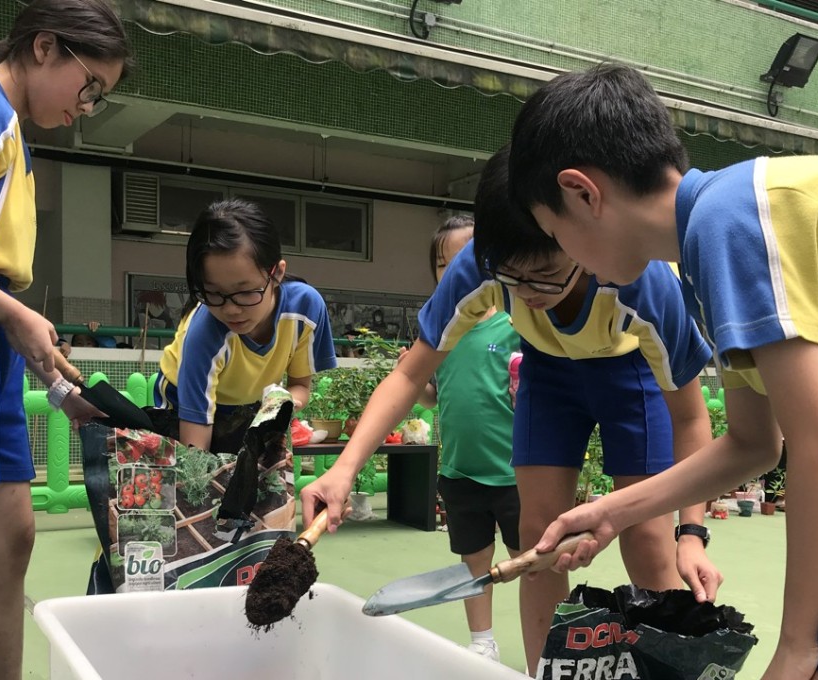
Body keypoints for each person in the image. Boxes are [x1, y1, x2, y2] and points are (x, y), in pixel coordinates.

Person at [508, 63, 818, 680]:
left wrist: (796, 643)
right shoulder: (713, 240)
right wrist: (615, 511)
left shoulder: (729, 222)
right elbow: (753, 445)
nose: (565, 256)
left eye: (552, 229)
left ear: (583, 193)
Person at [303, 147, 722, 674]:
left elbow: (689, 416)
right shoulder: (481, 263)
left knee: (647, 540)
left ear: (576, 235)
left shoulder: (640, 279)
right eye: (513, 281)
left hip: (630, 375)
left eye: (546, 275)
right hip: (548, 374)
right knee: (540, 540)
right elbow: (411, 372)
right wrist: (344, 470)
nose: (529, 294)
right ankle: (543, 671)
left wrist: (692, 533)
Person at [0, 1, 130, 676]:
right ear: (45, 48)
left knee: (9, 542)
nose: (88, 107)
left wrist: (49, 373)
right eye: (91, 88)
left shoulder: (14, 135)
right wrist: (15, 315)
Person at [416, 215, 522, 661]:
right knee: (474, 562)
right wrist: (416, 382)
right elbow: (430, 396)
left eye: (467, 257)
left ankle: (546, 639)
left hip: (515, 470)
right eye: (444, 263)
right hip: (459, 468)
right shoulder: (438, 328)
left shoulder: (515, 322)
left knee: (531, 560)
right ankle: (483, 642)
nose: (455, 269)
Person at [154, 198, 338, 452]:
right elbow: (195, 449)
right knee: (191, 476)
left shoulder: (306, 309)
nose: (230, 309)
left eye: (245, 292)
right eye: (213, 293)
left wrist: (282, 403)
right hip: (181, 402)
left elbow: (300, 386)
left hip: (248, 406)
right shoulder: (204, 333)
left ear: (276, 273)